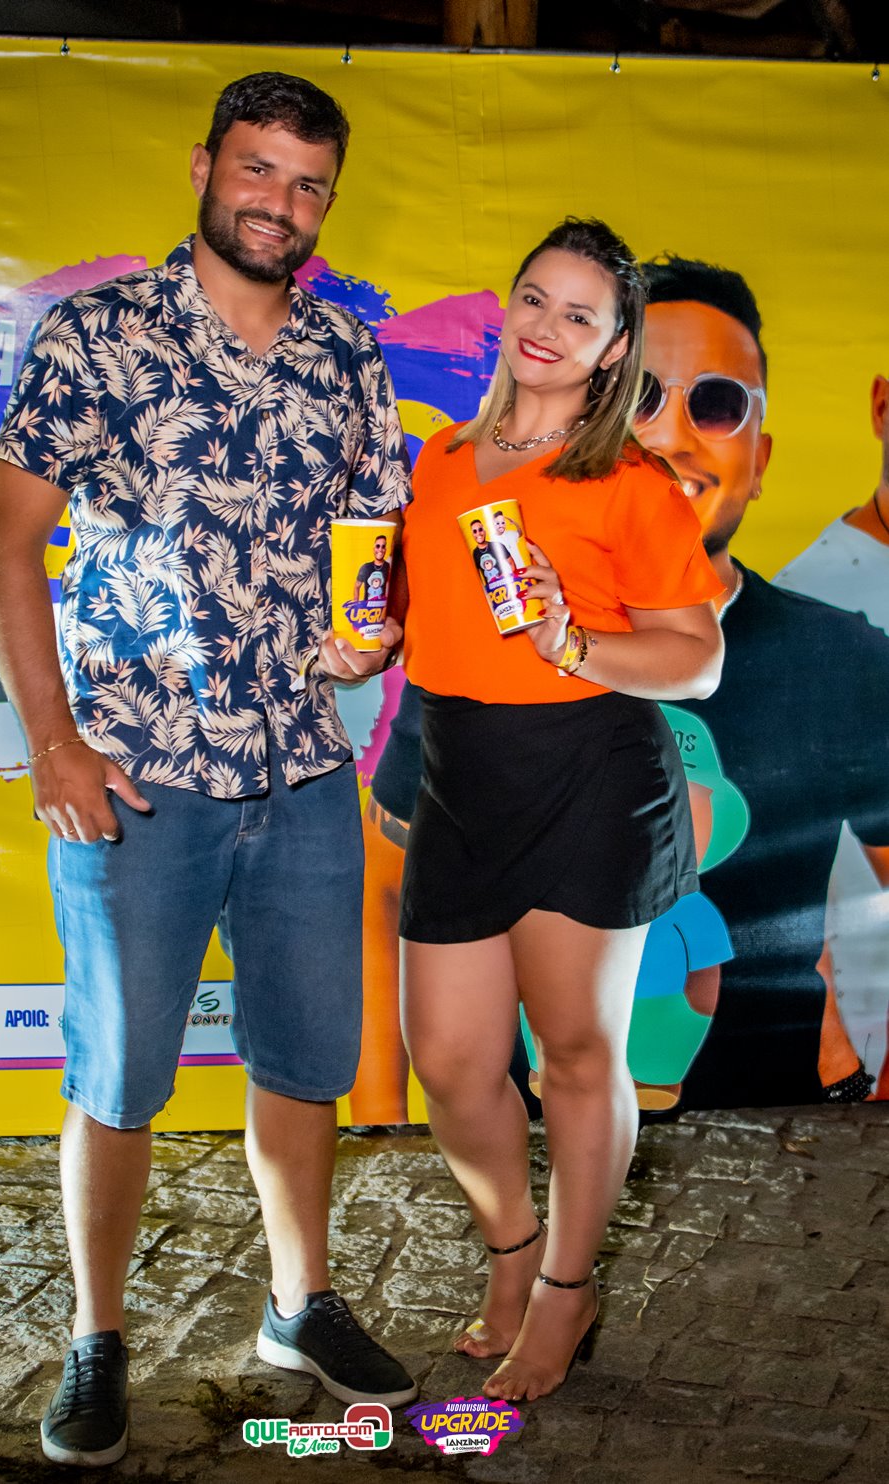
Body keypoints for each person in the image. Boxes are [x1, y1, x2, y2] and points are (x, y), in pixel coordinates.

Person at [0, 71, 417, 1469]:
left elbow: (372, 553)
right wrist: (54, 740)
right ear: (203, 167)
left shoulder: (347, 356)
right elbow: (5, 543)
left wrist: (368, 635)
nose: (279, 201)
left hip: (302, 772)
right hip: (139, 778)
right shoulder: (97, 336)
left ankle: (300, 1301)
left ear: (327, 203)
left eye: (307, 183)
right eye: (257, 169)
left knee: (303, 1060)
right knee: (117, 1074)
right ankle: (97, 1335)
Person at [399, 217, 724, 1403]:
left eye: (578, 315)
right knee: (449, 1061)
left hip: (587, 774)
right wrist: (359, 641)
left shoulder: (627, 482)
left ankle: (564, 1292)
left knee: (577, 1057)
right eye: (534, 298)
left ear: (612, 347)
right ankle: (511, 1249)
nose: (545, 326)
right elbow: (422, 617)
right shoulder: (440, 460)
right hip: (460, 773)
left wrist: (573, 639)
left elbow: (695, 660)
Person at [635, 255, 889, 1108]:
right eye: (639, 397)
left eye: (715, 404)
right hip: (533, 1137)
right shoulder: (496, 646)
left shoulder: (843, 660)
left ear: (758, 457)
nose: (673, 437)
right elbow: (389, 894)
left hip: (788, 1143)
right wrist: (378, 1128)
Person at [774, 371, 889, 1096]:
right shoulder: (812, 606)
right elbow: (773, 846)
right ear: (881, 405)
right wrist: (835, 1049)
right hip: (868, 1026)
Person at [470, 517, 517, 588]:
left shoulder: (497, 545)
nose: (478, 533)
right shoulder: (475, 553)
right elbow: (478, 577)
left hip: (507, 586)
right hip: (492, 591)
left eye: (480, 529)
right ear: (472, 535)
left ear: (484, 531)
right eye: (475, 531)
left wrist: (514, 581)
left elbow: (512, 563)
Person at [353, 531, 392, 603]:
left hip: (381, 607)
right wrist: (356, 604)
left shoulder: (388, 566)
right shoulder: (365, 567)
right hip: (367, 607)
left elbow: (389, 587)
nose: (380, 549)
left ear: (385, 549)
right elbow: (357, 586)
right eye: (378, 546)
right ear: (374, 549)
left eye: (383, 546)